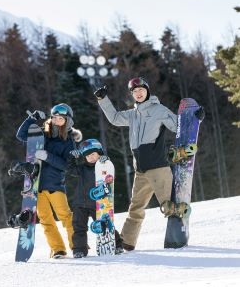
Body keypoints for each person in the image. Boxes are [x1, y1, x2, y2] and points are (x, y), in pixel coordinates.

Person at [93, 77, 181, 251]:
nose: (138, 93)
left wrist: (194, 119)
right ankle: (127, 241)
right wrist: (103, 100)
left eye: (141, 90)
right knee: (136, 208)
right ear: (132, 95)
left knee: (168, 205)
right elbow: (115, 118)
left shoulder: (159, 110)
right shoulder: (132, 114)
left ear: (147, 91)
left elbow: (178, 125)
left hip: (158, 167)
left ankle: (178, 237)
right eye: (135, 91)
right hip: (140, 170)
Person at [16, 103, 82, 258]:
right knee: (45, 219)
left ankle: (78, 246)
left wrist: (47, 156)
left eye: (61, 119)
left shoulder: (68, 142)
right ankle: (58, 249)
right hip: (37, 185)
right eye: (54, 118)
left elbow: (67, 165)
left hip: (55, 185)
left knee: (65, 216)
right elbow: (21, 135)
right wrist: (31, 119)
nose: (56, 120)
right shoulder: (42, 135)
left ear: (67, 121)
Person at [69, 139, 123, 258]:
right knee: (79, 228)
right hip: (80, 203)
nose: (91, 157)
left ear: (100, 153)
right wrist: (72, 158)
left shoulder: (104, 167)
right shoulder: (81, 168)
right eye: (88, 156)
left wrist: (106, 161)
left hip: (97, 204)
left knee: (105, 225)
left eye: (93, 154)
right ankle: (79, 250)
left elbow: (109, 175)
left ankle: (117, 244)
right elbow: (69, 168)